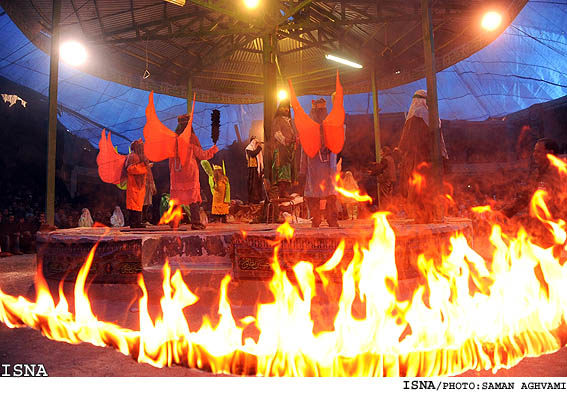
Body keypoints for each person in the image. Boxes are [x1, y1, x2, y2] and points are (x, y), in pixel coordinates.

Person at [397, 90, 448, 223]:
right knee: (426, 185)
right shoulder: (423, 113)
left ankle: (421, 215)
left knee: (418, 186)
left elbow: (404, 142)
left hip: (415, 158)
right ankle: (427, 215)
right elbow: (433, 137)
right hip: (425, 157)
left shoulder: (413, 115)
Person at [169, 115, 218, 230]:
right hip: (190, 174)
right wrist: (213, 149)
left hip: (176, 174)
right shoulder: (192, 139)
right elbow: (202, 155)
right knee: (193, 199)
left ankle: (174, 222)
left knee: (176, 199)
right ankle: (195, 222)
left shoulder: (173, 140)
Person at [300, 98, 339, 228]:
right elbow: (304, 149)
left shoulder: (329, 125)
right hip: (315, 164)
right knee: (319, 194)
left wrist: (302, 171)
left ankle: (329, 219)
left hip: (325, 165)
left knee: (328, 194)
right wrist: (303, 170)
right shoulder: (309, 127)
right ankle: (318, 219)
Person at [502, 138, 561, 219]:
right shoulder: (536, 173)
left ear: (550, 153)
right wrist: (504, 213)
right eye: (534, 151)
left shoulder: (561, 173)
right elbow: (526, 197)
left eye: (538, 151)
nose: (535, 154)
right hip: (542, 221)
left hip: (560, 221)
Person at [271, 100, 296, 197]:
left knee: (287, 170)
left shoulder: (289, 121)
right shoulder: (278, 120)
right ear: (280, 108)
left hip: (288, 150)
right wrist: (286, 141)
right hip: (281, 149)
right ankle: (281, 192)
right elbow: (277, 134)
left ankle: (285, 191)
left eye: (287, 107)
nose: (286, 109)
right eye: (284, 107)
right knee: (282, 170)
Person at [125, 139, 149, 228]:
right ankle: (135, 223)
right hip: (134, 185)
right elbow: (130, 169)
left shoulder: (136, 156)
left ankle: (136, 222)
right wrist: (144, 166)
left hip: (137, 185)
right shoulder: (133, 156)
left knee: (137, 204)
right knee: (134, 205)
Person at [246, 136, 264, 204]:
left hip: (257, 170)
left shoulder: (257, 150)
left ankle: (259, 198)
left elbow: (260, 161)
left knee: (258, 184)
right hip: (252, 170)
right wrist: (259, 148)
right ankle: (253, 199)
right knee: (253, 185)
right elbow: (253, 154)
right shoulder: (249, 148)